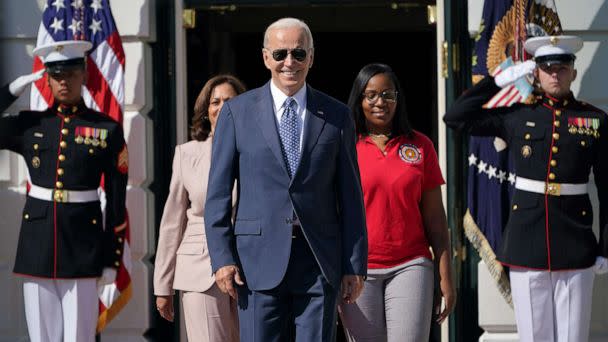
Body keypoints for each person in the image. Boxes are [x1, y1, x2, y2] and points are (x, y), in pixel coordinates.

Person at [204, 17, 368, 341]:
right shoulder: (237, 113)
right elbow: (218, 195)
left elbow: (351, 196)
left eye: (298, 53)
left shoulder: (336, 116)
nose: (289, 63)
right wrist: (222, 259)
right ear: (266, 57)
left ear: (311, 57)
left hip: (318, 261)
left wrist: (354, 263)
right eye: (280, 54)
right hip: (255, 262)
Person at [444, 35, 607, 342]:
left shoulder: (594, 120)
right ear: (536, 72)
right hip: (526, 243)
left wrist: (606, 247)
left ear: (573, 71)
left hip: (576, 243)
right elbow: (455, 117)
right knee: (534, 337)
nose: (555, 74)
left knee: (574, 337)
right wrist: (499, 80)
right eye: (547, 68)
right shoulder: (518, 115)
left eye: (562, 67)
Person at [0, 40, 128, 342]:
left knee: (79, 336)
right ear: (46, 78)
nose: (63, 81)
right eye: (56, 75)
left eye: (70, 73)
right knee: (42, 337)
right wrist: (12, 89)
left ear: (83, 74)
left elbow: (117, 197)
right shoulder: (30, 125)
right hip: (37, 246)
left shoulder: (106, 129)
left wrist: (112, 258)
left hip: (83, 246)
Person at [339, 63, 456, 341]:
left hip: (411, 265)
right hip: (358, 270)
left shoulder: (420, 145)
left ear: (398, 99)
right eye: (371, 95)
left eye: (388, 94)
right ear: (360, 100)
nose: (380, 102)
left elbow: (436, 223)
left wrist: (446, 277)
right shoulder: (343, 146)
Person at [153, 74, 246, 342]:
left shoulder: (258, 151)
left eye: (229, 100)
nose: (221, 106)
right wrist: (163, 284)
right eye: (215, 101)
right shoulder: (187, 154)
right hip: (198, 268)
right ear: (206, 111)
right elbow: (172, 223)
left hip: (250, 269)